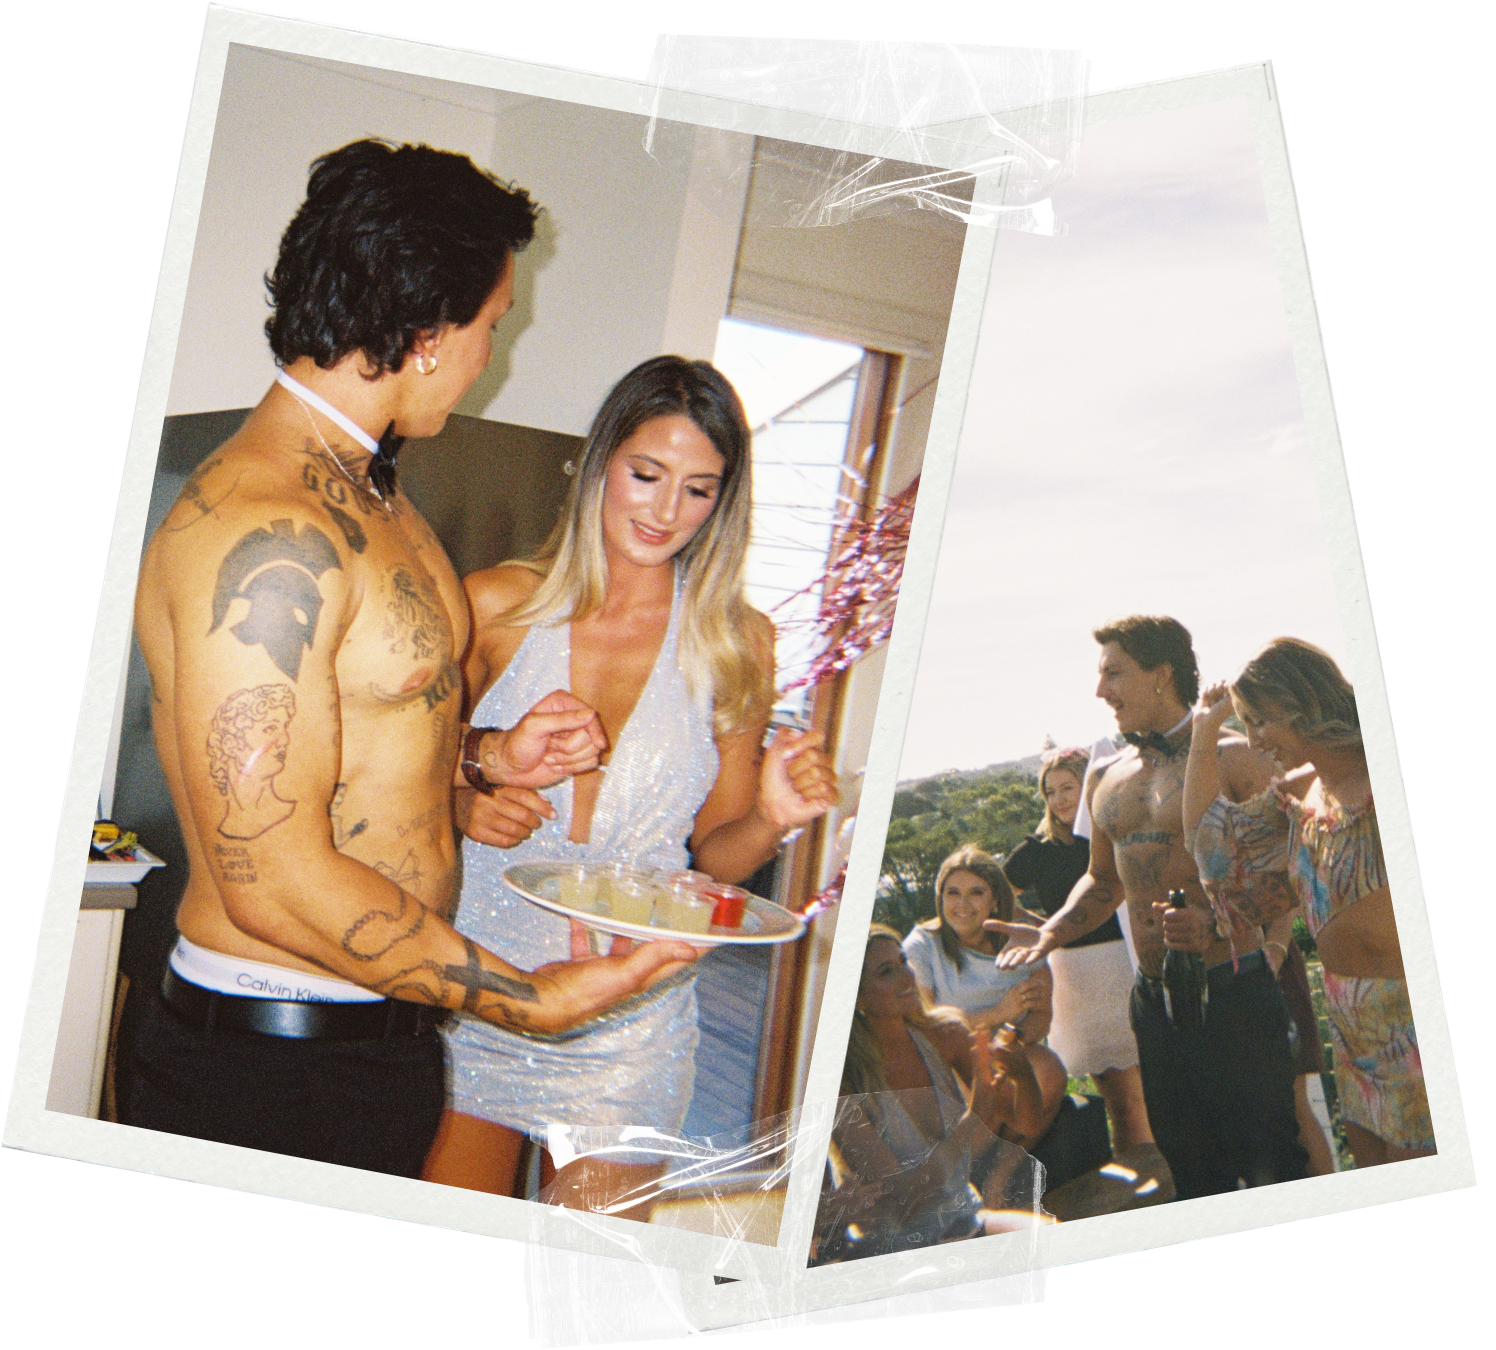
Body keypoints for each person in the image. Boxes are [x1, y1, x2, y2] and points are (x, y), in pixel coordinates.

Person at [125, 139, 700, 1178]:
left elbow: (355, 740)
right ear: (428, 335)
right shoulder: (265, 528)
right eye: (493, 325)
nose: (495, 352)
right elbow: (271, 875)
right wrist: (528, 998)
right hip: (268, 1071)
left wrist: (485, 757)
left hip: (372, 1048)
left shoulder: (373, 493)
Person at [421, 355, 839, 1206]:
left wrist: (772, 815)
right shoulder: (495, 605)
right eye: (646, 474)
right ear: (601, 460)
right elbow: (392, 777)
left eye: (697, 489)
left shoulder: (735, 642)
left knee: (587, 1294)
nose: (663, 510)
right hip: (479, 989)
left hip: (633, 1013)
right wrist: (465, 799)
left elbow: (715, 865)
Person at [993, 615, 1308, 1200]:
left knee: (1272, 1164)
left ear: (1161, 674)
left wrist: (1220, 920)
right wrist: (1052, 932)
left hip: (1235, 991)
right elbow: (1102, 882)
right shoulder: (1105, 777)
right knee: (1190, 1169)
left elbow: (1294, 878)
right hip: (1155, 1001)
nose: (1100, 690)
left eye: (1113, 673)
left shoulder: (1239, 759)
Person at [1184, 639, 1434, 1167]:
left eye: (1257, 722)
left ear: (1296, 706)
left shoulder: (1393, 776)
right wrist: (1205, 731)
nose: (1251, 740)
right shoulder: (1301, 794)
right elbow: (1210, 850)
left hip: (1416, 1026)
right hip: (1348, 1025)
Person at [823, 927, 1051, 1258]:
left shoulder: (944, 1033)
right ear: (855, 997)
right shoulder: (844, 1079)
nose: (906, 975)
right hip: (894, 1247)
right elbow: (904, 1203)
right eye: (887, 971)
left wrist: (1022, 1074)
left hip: (964, 1218)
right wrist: (974, 1118)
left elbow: (1026, 1123)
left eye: (903, 961)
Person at [1003, 748, 1154, 1154]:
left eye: (1068, 787)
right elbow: (996, 894)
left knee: (1154, 1094)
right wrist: (1043, 930)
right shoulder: (1038, 850)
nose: (1060, 800)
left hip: (1129, 968)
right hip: (1077, 979)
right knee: (1123, 1102)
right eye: (1050, 792)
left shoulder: (1115, 836)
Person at [902, 845, 1055, 1047]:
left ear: (995, 901)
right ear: (940, 899)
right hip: (953, 1054)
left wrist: (1005, 1046)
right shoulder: (920, 946)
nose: (962, 904)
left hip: (1011, 1048)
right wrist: (1000, 1012)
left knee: (1047, 1068)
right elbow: (926, 1025)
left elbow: (1041, 1015)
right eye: (953, 893)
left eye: (976, 893)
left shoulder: (1020, 938)